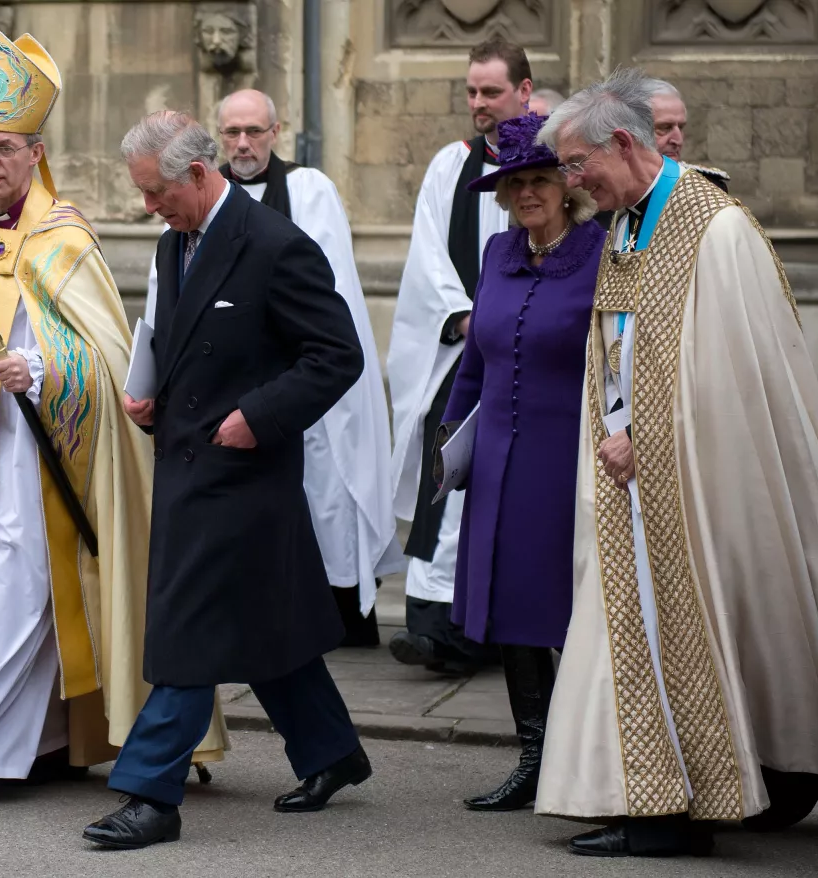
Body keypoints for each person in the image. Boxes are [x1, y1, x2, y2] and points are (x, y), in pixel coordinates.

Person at [535, 67, 818, 858]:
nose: (570, 183)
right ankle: (662, 797)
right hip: (626, 477)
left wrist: (648, 436)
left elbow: (737, 379)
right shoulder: (625, 224)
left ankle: (676, 812)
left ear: (621, 143)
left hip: (697, 479)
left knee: (707, 626)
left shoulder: (716, 228)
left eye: (576, 165)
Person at [0, 31, 227, 803]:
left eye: (6, 148)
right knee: (8, 592)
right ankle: (52, 741)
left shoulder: (65, 240)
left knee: (11, 591)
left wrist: (45, 370)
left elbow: (108, 357)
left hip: (44, 457)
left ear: (36, 154)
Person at [83, 111, 371, 850]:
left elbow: (337, 355)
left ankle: (151, 795)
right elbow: (179, 347)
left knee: (189, 629)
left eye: (156, 192)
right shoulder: (173, 241)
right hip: (187, 463)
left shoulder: (276, 245)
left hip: (244, 475)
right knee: (266, 623)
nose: (149, 206)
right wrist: (152, 399)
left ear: (197, 174)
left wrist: (258, 416)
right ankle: (332, 752)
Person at [435, 113, 603, 812]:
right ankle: (533, 756)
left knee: (562, 608)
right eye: (516, 184)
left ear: (567, 186)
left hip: (566, 462)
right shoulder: (499, 252)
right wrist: (451, 440)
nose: (527, 193)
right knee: (507, 607)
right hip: (496, 464)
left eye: (540, 179)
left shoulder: (601, 252)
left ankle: (583, 758)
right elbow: (475, 361)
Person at [212, 87, 405, 646]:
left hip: (302, 370)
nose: (243, 143)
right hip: (235, 377)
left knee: (324, 487)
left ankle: (338, 615)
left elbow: (331, 283)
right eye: (232, 132)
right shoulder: (206, 192)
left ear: (276, 132)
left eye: (254, 131)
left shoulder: (308, 189)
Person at [387, 36, 532, 675]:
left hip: (528, 354)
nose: (478, 103)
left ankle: (490, 628)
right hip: (465, 351)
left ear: (524, 91)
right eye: (471, 91)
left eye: (491, 91)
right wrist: (465, 315)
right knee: (445, 473)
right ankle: (434, 625)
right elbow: (427, 252)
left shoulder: (550, 165)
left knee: (505, 488)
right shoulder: (452, 165)